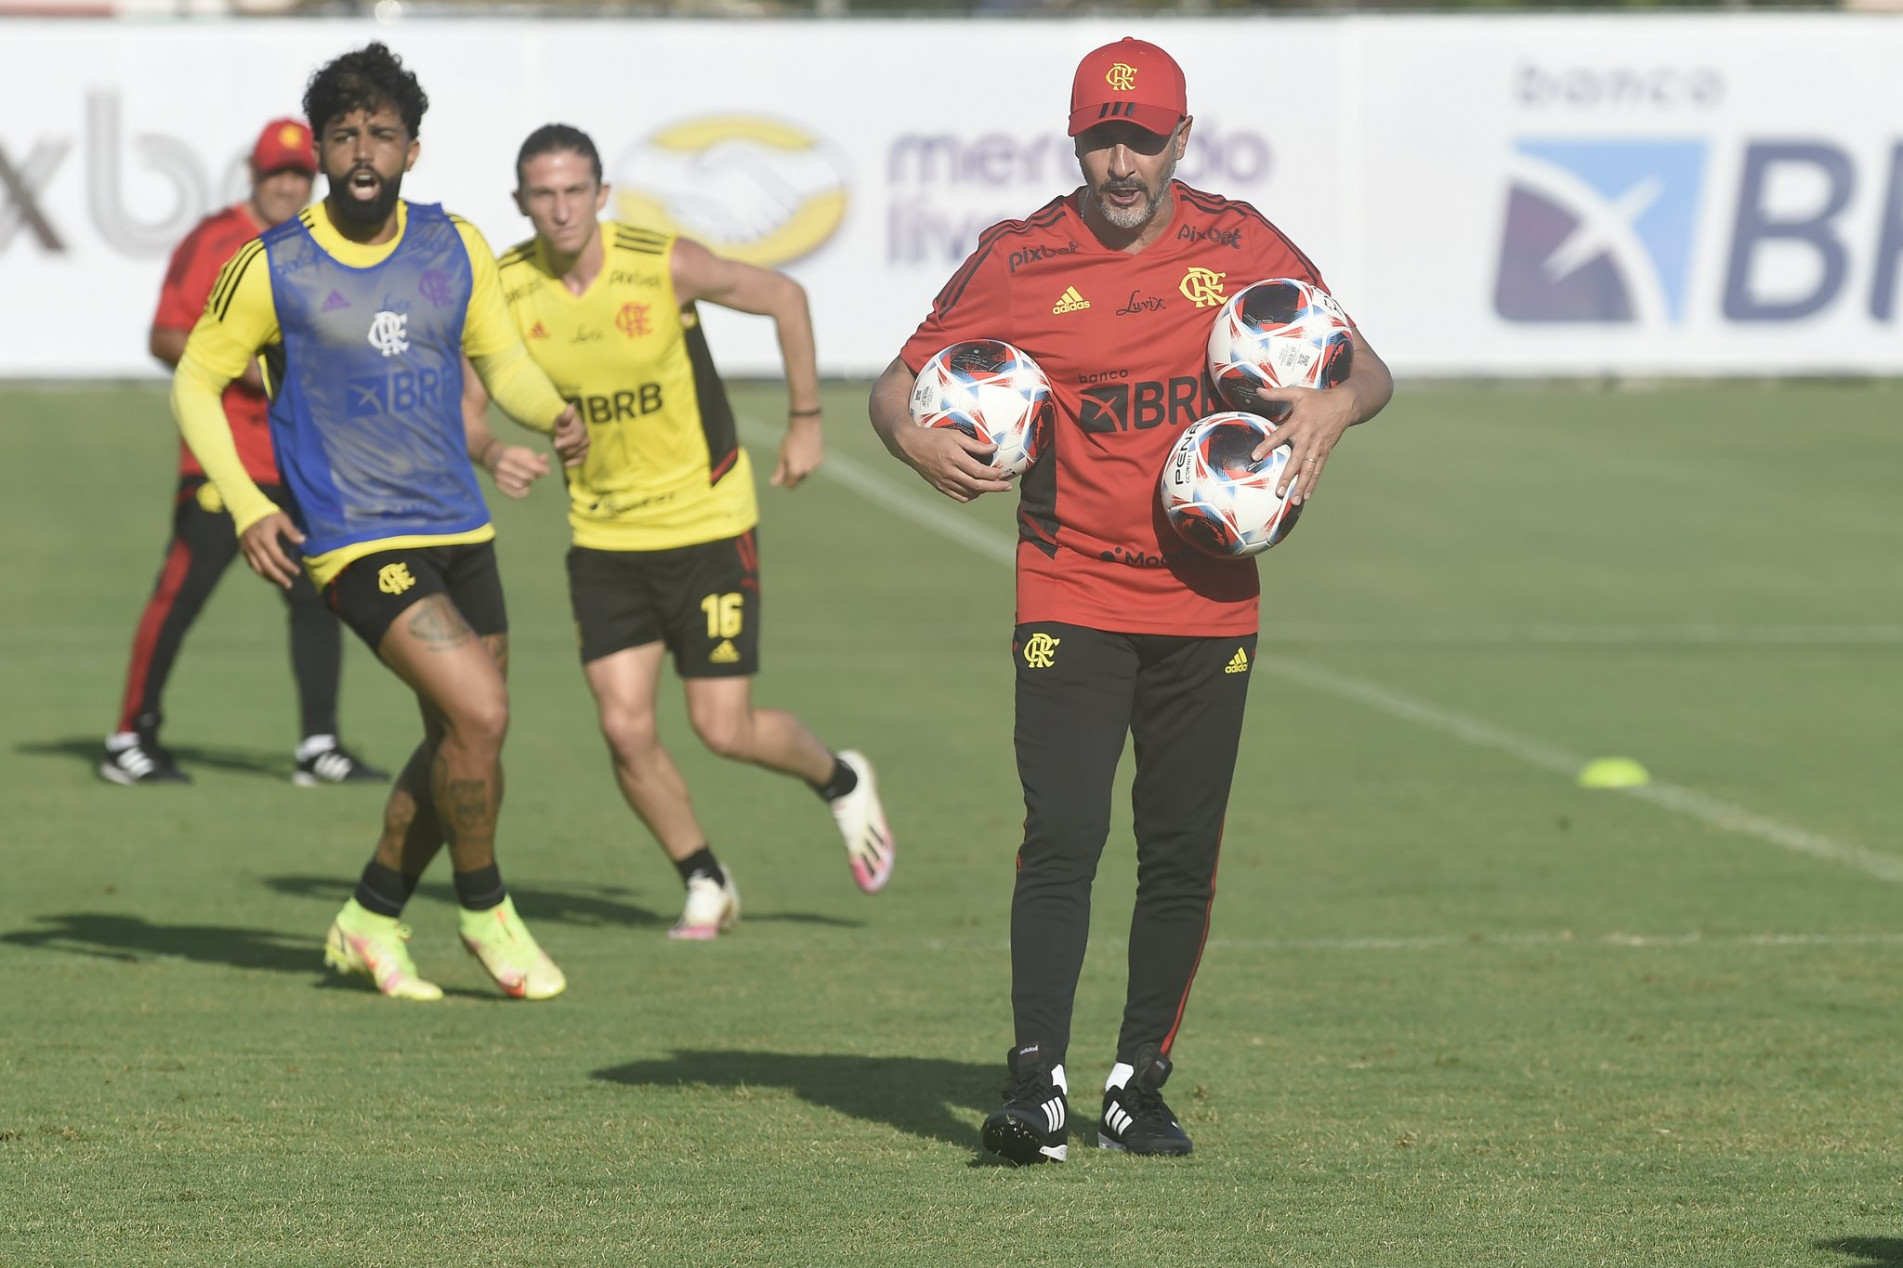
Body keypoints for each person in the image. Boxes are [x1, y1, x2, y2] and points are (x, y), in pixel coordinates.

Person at [868, 38, 1393, 1163]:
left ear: (1180, 139)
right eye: (1102, 139)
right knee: (1062, 833)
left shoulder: (1241, 244)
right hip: (1071, 586)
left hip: (1211, 598)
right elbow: (894, 385)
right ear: (1074, 141)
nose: (1121, 164)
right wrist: (915, 442)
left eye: (1142, 140)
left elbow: (1367, 368)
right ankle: (1034, 1086)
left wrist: (1334, 406)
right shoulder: (1018, 257)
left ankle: (1135, 1083)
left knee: (1180, 849)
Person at [170, 43, 590, 1002]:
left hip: (459, 526)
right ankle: (484, 911)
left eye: (383, 134)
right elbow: (196, 381)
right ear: (321, 149)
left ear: (412, 149)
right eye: (345, 134)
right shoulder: (272, 265)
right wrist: (249, 505)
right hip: (356, 537)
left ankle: (369, 916)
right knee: (482, 712)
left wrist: (551, 412)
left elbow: (502, 360)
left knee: (461, 736)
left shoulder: (455, 244)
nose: (364, 151)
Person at [462, 124, 893, 941]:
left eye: (574, 191)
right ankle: (703, 877)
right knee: (623, 729)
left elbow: (785, 298)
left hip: (707, 524)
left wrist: (806, 421)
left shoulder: (662, 264)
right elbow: (468, 405)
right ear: (520, 202)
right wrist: (491, 453)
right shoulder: (507, 289)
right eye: (543, 195)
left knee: (721, 728)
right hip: (603, 536)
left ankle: (839, 780)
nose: (561, 209)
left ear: (601, 195)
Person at [102, 118, 385, 789]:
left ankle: (319, 745)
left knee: (317, 596)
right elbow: (166, 335)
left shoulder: (322, 245)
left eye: (298, 174)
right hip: (224, 457)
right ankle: (129, 737)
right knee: (183, 591)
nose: (287, 186)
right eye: (275, 173)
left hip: (301, 459)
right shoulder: (217, 241)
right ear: (253, 176)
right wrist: (248, 368)